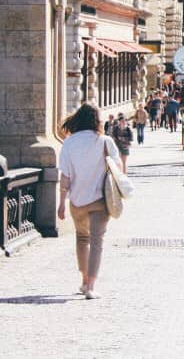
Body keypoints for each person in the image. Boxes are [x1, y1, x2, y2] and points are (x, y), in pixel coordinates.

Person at [58, 103, 119, 300]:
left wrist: (61, 202)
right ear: (96, 121)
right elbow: (117, 168)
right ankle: (91, 286)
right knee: (97, 241)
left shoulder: (68, 143)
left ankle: (84, 281)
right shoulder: (104, 141)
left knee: (82, 238)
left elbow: (65, 176)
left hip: (77, 201)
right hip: (100, 199)